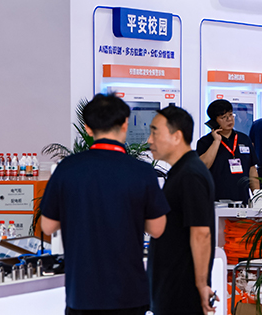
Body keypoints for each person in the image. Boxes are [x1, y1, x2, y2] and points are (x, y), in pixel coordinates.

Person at [40, 93, 169, 315]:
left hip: (82, 293)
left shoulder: (67, 168)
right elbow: (157, 229)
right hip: (129, 293)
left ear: (88, 128)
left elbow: (47, 226)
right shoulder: (141, 171)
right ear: (125, 124)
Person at [148, 105, 217, 315]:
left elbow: (201, 233)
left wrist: (201, 284)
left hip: (181, 291)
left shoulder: (190, 175)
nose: (149, 140)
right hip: (171, 287)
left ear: (177, 136)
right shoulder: (181, 171)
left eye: (155, 133)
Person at [196, 99, 259, 203]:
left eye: (230, 115)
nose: (229, 119)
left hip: (242, 199)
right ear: (214, 121)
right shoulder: (205, 142)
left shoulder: (244, 139)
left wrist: (257, 196)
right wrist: (216, 141)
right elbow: (203, 166)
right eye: (223, 117)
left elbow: (252, 169)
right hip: (216, 200)